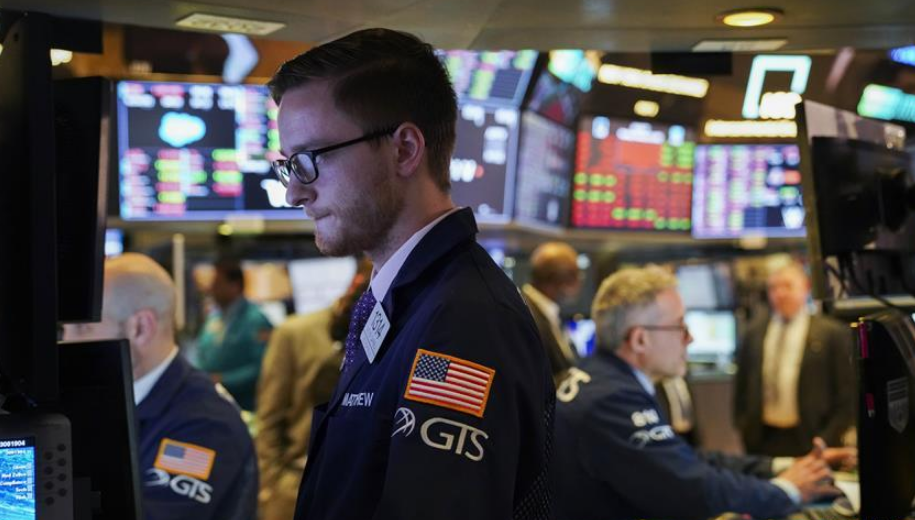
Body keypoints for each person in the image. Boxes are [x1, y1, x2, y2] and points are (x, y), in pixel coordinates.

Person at [270, 27, 553, 520]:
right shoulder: (405, 300)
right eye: (289, 166)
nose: (295, 192)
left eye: (310, 160)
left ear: (404, 149)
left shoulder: (463, 322)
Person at [552, 265, 854, 520]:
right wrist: (787, 490)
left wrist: (785, 465)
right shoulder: (612, 400)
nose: (690, 338)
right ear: (640, 339)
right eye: (679, 326)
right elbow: (692, 489)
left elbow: (683, 459)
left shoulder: (601, 379)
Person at [63, 253, 257, 520]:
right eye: (64, 330)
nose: (67, 343)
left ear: (141, 328)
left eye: (82, 329)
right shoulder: (115, 402)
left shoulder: (205, 423)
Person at [255, 258, 371, 520]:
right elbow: (270, 414)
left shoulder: (396, 334)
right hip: (295, 484)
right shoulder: (295, 333)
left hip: (356, 490)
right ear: (358, 282)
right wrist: (272, 487)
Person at [734, 262, 856, 456]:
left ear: (805, 288)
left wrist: (827, 438)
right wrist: (743, 427)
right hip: (763, 438)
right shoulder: (754, 332)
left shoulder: (832, 333)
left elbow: (846, 394)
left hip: (811, 437)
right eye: (774, 288)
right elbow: (741, 386)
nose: (780, 293)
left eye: (788, 286)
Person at [195, 257, 273, 411]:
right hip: (214, 402)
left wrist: (222, 380)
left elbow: (263, 367)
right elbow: (202, 354)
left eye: (217, 283)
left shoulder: (255, 320)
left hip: (246, 407)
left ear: (234, 286)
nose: (211, 289)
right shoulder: (214, 318)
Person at [521, 241, 582, 387]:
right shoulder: (526, 314)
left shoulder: (549, 311)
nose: (580, 283)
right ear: (562, 280)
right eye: (577, 276)